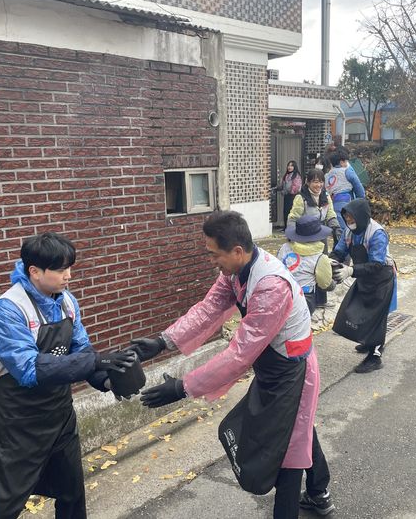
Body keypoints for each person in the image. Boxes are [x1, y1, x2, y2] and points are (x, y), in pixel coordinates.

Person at [130, 211, 334, 518]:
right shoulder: (235, 271)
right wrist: (163, 341)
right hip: (272, 368)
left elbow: (240, 354)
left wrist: (184, 387)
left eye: (215, 255)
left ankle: (306, 501)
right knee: (298, 430)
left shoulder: (271, 287)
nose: (212, 262)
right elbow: (209, 308)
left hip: (293, 373)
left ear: (237, 251)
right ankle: (320, 493)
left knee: (289, 452)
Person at [0, 232, 136, 519]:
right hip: (16, 423)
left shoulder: (66, 302)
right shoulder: (8, 311)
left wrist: (108, 379)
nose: (69, 276)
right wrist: (95, 362)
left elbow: (82, 349)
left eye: (69, 268)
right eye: (61, 269)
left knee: (72, 493)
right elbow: (29, 369)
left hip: (59, 415)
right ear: (34, 271)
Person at [330, 199, 397, 374]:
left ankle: (375, 356)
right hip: (363, 277)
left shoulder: (377, 234)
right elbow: (339, 251)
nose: (349, 221)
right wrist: (330, 261)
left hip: (381, 279)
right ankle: (368, 342)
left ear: (361, 216)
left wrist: (350, 270)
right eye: (346, 218)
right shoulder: (349, 232)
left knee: (376, 317)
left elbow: (376, 264)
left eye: (352, 218)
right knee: (353, 310)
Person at [277, 215, 337, 315]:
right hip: (304, 299)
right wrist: (333, 282)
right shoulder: (320, 258)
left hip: (281, 295)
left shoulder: (284, 248)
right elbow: (325, 284)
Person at [324, 148, 365, 230]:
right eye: (346, 161)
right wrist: (361, 200)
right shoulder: (347, 171)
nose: (347, 164)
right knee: (347, 229)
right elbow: (358, 186)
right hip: (346, 201)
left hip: (331, 203)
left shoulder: (327, 175)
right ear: (341, 162)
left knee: (336, 228)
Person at [276, 160, 302, 228]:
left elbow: (296, 187)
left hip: (293, 197)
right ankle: (286, 227)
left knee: (292, 212)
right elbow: (282, 186)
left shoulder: (296, 176)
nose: (289, 167)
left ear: (294, 167)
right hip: (287, 196)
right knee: (286, 212)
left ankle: (292, 227)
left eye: (291, 165)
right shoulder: (286, 175)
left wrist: (288, 191)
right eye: (289, 165)